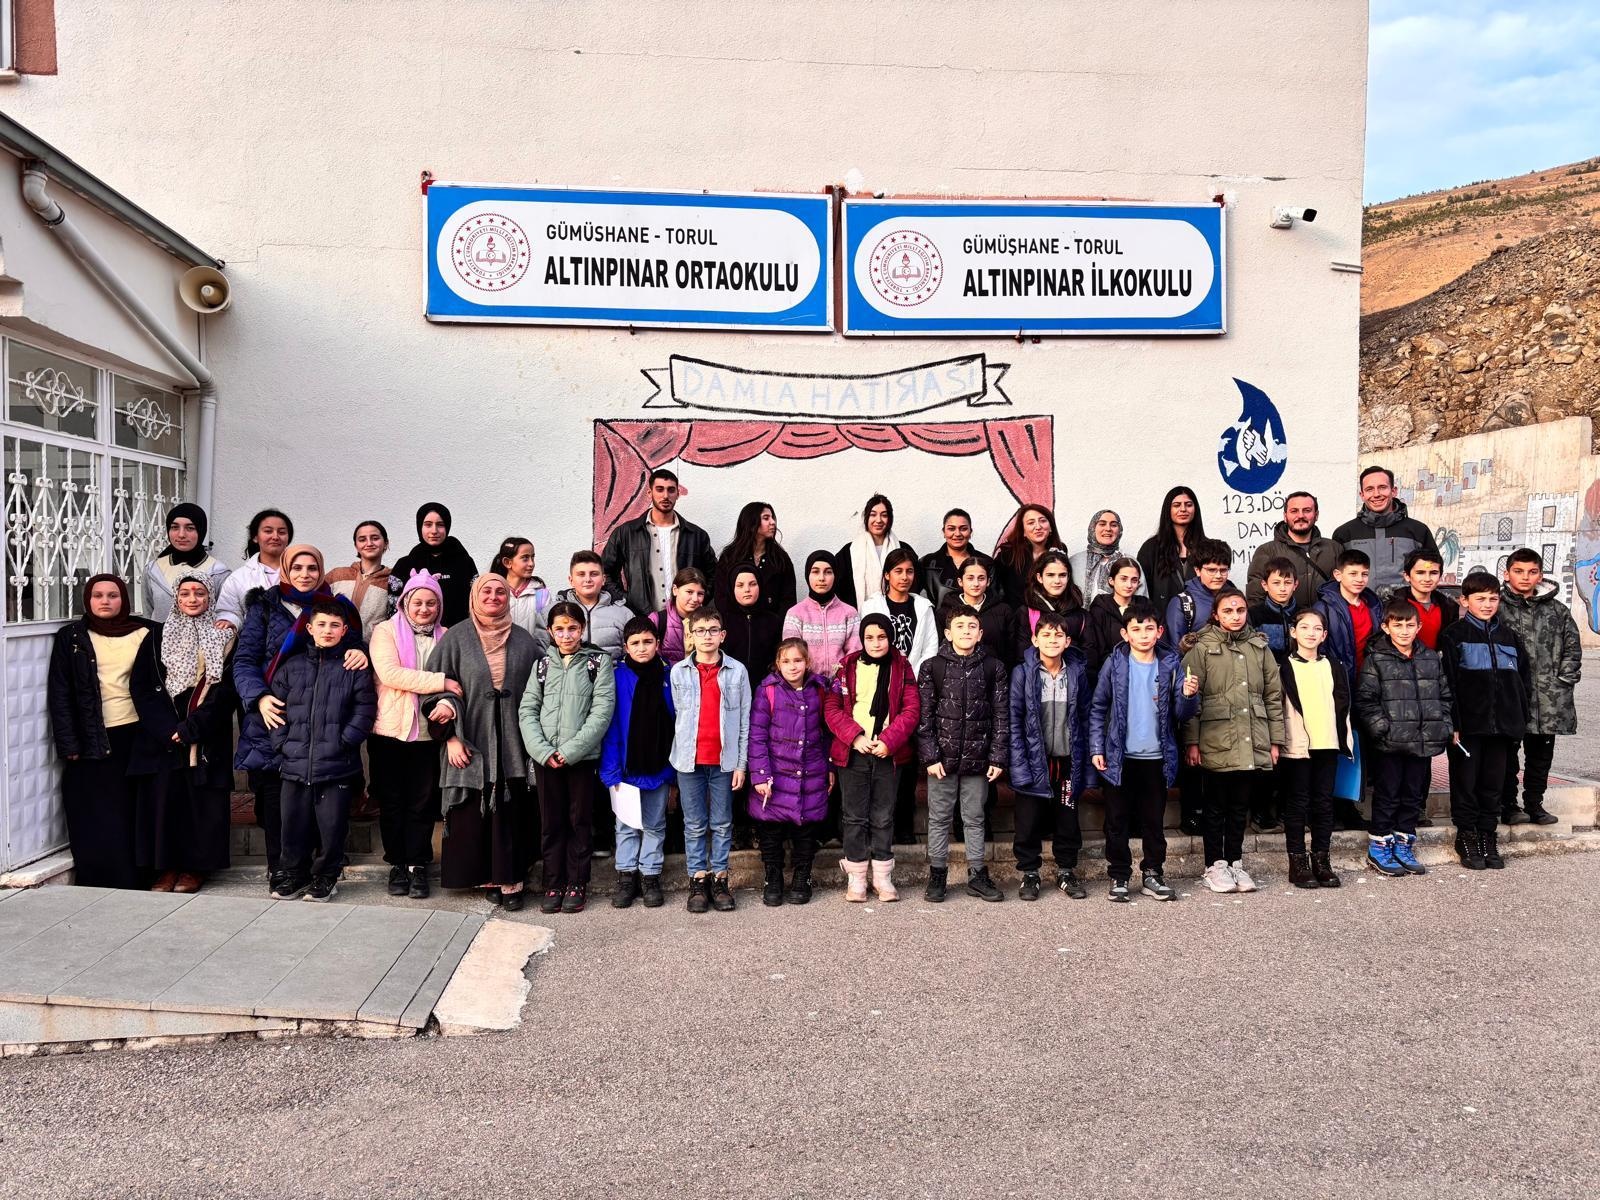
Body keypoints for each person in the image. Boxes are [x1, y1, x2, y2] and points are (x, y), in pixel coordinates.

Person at [232, 544, 367, 895]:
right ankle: (282, 869)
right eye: (297, 567)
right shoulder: (265, 606)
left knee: (323, 805)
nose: (305, 574)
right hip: (274, 715)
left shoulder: (335, 608)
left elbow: (354, 649)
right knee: (279, 802)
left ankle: (321, 873)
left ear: (321, 571)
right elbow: (244, 660)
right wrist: (259, 698)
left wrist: (359, 651)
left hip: (326, 722)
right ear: (285, 570)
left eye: (312, 568)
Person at [424, 574, 542, 909]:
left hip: (514, 738)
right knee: (475, 811)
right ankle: (488, 877)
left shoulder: (524, 640)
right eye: (486, 591)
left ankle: (511, 880)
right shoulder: (456, 638)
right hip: (471, 737)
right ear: (474, 596)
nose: (493, 596)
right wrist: (451, 738)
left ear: (508, 598)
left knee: (510, 808)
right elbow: (435, 690)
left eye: (500, 592)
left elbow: (540, 687)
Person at [47, 575, 159, 888]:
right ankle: (97, 877)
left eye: (113, 595)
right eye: (98, 595)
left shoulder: (146, 633)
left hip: (137, 733)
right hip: (92, 735)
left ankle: (136, 877)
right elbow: (60, 692)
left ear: (124, 599)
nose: (105, 601)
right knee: (92, 809)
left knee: (131, 808)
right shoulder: (72, 637)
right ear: (88, 600)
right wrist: (68, 742)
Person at [128, 572, 237, 894]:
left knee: (200, 804)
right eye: (185, 593)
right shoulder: (156, 637)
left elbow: (227, 691)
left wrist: (192, 728)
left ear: (210, 598)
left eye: (200, 593)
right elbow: (142, 686)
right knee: (165, 802)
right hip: (163, 737)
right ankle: (166, 868)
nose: (192, 599)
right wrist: (167, 730)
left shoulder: (224, 637)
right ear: (176, 598)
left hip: (204, 734)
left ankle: (195, 869)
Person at [266, 598, 377, 901]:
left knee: (332, 826)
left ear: (344, 631)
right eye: (322, 625)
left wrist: (344, 741)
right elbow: (275, 710)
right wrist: (283, 744)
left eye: (335, 625)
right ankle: (295, 875)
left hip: (336, 764)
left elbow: (365, 709)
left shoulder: (353, 668)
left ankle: (326, 876)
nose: (328, 630)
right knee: (293, 824)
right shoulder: (292, 667)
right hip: (295, 763)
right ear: (310, 628)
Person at [1090, 600, 1198, 902]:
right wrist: (1097, 747)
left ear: (1160, 631)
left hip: (1156, 758)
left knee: (1153, 821)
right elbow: (1098, 707)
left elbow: (1182, 714)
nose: (1143, 635)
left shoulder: (1171, 663)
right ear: (1125, 634)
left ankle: (1153, 873)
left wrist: (1189, 695)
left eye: (1149, 629)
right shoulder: (1115, 663)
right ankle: (1119, 875)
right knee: (1117, 821)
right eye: (1136, 630)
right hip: (1119, 757)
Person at [1181, 587, 1285, 895]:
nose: (1235, 616)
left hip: (1251, 738)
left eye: (1240, 610)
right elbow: (1192, 698)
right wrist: (1192, 741)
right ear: (1216, 615)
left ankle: (1235, 862)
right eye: (1228, 611)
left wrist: (1275, 740)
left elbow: (1273, 696)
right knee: (1215, 806)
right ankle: (1214, 864)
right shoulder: (1201, 648)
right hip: (1216, 738)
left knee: (1240, 806)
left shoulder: (1259, 647)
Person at [520, 601, 617, 915]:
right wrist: (543, 751)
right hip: (546, 758)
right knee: (551, 822)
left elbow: (601, 711)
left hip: (581, 758)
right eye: (559, 629)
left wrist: (571, 751)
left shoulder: (597, 663)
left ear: (582, 629)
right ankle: (553, 882)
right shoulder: (541, 665)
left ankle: (577, 882)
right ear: (550, 631)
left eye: (572, 628)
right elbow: (528, 710)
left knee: (579, 821)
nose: (566, 635)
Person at [368, 569, 452, 900]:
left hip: (428, 734)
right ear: (405, 603)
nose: (424, 609)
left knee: (422, 803)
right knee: (392, 802)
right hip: (390, 731)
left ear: (439, 606)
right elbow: (390, 674)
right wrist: (441, 682)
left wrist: (447, 698)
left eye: (431, 603)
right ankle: (397, 864)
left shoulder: (446, 636)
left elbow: (457, 679)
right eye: (417, 602)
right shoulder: (385, 631)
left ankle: (418, 864)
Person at [917, 604, 1009, 903]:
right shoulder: (932, 667)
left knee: (974, 817)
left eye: (972, 626)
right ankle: (937, 875)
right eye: (960, 626)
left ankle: (977, 875)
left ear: (980, 633)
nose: (966, 631)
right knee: (939, 818)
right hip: (941, 761)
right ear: (948, 633)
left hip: (978, 759)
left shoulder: (993, 667)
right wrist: (930, 756)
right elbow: (924, 716)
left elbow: (1001, 715)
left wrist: (997, 757)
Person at [1355, 601, 1453, 879]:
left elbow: (1444, 696)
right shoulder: (1377, 659)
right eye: (1397, 625)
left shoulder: (1430, 657)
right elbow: (1366, 700)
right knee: (1388, 794)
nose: (1404, 630)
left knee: (1413, 796)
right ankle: (1379, 846)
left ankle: (1404, 844)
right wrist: (1382, 729)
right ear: (1386, 627)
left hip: (1423, 741)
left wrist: (1443, 726)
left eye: (1410, 625)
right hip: (1391, 743)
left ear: (1419, 627)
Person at [827, 614, 920, 903]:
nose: (876, 643)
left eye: (882, 637)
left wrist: (889, 741)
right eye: (869, 638)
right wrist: (854, 737)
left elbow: (911, 709)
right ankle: (856, 876)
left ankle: (882, 876)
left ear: (890, 638)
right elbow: (832, 708)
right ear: (861, 640)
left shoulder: (902, 667)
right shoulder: (847, 667)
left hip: (887, 753)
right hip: (854, 750)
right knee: (854, 816)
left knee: (883, 815)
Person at [1440, 572, 1531, 870]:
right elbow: (1448, 683)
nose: (1487, 604)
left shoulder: (1509, 637)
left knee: (1493, 784)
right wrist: (1453, 723)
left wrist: (1519, 719)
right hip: (1468, 727)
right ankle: (1466, 836)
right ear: (1465, 601)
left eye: (1493, 598)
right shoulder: (1454, 636)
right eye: (1480, 598)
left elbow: (1523, 682)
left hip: (1502, 727)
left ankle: (1487, 836)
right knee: (1466, 783)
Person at [669, 608, 751, 914]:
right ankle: (698, 880)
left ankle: (720, 879)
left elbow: (743, 721)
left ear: (722, 635)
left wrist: (741, 764)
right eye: (700, 630)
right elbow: (677, 716)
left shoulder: (737, 671)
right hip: (689, 760)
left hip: (723, 761)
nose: (707, 636)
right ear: (691, 635)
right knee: (693, 824)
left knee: (722, 822)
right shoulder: (678, 672)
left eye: (713, 630)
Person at [1008, 613, 1091, 901]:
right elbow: (1014, 720)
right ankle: (1030, 873)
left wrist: (1085, 759)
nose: (1052, 640)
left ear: (1068, 641)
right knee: (1028, 820)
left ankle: (1066, 871)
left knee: (1067, 818)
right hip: (1034, 760)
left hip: (1067, 761)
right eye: (1046, 635)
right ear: (1035, 639)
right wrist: (1019, 764)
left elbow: (1085, 715)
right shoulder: (1023, 673)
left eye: (1058, 636)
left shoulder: (1076, 673)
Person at [1497, 548, 1582, 826]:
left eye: (1532, 572)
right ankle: (1509, 805)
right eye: (1518, 571)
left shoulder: (1557, 610)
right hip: (1510, 697)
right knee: (1507, 756)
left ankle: (1535, 804)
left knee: (1541, 756)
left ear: (1540, 575)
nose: (1525, 577)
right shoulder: (1496, 608)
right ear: (1507, 574)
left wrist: (1563, 680)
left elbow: (1572, 646)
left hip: (1548, 699)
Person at [748, 638, 835, 906]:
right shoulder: (768, 690)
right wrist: (760, 774)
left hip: (811, 770)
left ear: (807, 662)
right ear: (778, 664)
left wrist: (829, 766)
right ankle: (772, 877)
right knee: (771, 830)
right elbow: (757, 735)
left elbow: (827, 732)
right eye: (786, 661)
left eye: (798, 660)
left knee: (805, 830)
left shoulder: (819, 689)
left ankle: (802, 876)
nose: (792, 666)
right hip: (774, 772)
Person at [600, 616, 676, 909]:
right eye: (635, 643)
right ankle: (626, 876)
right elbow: (611, 726)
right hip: (625, 766)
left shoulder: (669, 676)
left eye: (647, 642)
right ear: (625, 647)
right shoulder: (617, 677)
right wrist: (611, 770)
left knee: (655, 824)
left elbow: (676, 722)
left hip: (659, 764)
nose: (642, 648)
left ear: (658, 644)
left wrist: (673, 771)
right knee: (626, 825)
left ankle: (650, 875)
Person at [1277, 609, 1352, 888]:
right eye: (1304, 627)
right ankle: (1297, 863)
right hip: (1297, 745)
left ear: (1324, 635)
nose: (1311, 633)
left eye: (1317, 628)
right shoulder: (1283, 666)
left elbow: (1343, 703)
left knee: (1323, 803)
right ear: (1293, 632)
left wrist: (1344, 740)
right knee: (1297, 803)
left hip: (1327, 742)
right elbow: (1277, 706)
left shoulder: (1333, 665)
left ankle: (1322, 860)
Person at [601, 467, 717, 616]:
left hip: (686, 619)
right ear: (650, 493)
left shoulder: (697, 535)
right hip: (642, 617)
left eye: (671, 490)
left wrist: (698, 599)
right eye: (660, 489)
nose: (665, 496)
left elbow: (714, 574)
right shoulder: (626, 533)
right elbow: (605, 572)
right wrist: (626, 600)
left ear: (678, 494)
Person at [1331, 466, 1442, 594]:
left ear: (1394, 491)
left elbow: (1434, 569)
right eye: (1369, 489)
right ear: (1362, 495)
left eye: (1382, 487)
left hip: (1405, 606)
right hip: (1360, 605)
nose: (1376, 494)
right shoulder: (1345, 534)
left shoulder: (1418, 531)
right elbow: (1336, 579)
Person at [1245, 492, 1339, 609]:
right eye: (1294, 511)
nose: (1300, 516)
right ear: (1285, 516)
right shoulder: (1267, 551)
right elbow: (1255, 596)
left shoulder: (1334, 549)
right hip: (1284, 619)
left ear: (1316, 515)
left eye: (1307, 510)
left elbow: (1344, 590)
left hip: (1326, 618)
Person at [391, 502, 479, 628]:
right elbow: (394, 610)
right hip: (414, 637)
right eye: (428, 525)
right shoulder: (405, 565)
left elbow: (476, 604)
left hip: (458, 635)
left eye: (440, 525)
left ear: (447, 527)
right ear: (419, 527)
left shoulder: (464, 562)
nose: (434, 531)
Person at [143, 502, 231, 623]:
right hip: (158, 635)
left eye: (190, 528)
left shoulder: (218, 572)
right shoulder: (153, 569)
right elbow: (148, 613)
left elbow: (225, 616)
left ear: (201, 530)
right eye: (175, 527)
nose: (181, 535)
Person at [782, 551, 861, 677]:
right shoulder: (795, 614)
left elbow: (855, 653)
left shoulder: (849, 613)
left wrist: (840, 678)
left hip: (841, 684)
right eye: (815, 572)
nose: (821, 578)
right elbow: (792, 656)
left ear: (835, 575)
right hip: (806, 684)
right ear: (807, 575)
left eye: (828, 572)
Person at [713, 500, 797, 618]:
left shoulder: (780, 558)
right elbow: (721, 596)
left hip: (772, 625)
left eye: (772, 518)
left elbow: (788, 598)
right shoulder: (730, 557)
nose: (773, 522)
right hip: (736, 624)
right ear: (751, 523)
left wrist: (776, 623)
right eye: (766, 518)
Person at [859, 548, 938, 672]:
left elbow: (930, 648)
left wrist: (914, 676)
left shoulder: (923, 607)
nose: (904, 577)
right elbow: (867, 644)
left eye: (909, 571)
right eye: (898, 571)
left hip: (916, 676)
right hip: (880, 675)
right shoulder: (872, 606)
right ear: (887, 575)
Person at [835, 493, 917, 608]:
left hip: (898, 613)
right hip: (858, 614)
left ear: (890, 519)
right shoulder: (849, 552)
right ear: (866, 518)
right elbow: (839, 587)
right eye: (873, 515)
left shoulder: (904, 549)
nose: (878, 520)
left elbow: (915, 582)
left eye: (884, 515)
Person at [547, 550, 632, 662]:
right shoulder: (552, 612)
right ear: (571, 580)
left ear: (603, 579)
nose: (588, 579)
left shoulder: (623, 614)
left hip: (611, 672)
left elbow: (632, 655)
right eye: (581, 574)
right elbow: (543, 651)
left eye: (594, 574)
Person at [215, 508, 292, 629]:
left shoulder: (302, 573)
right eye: (268, 531)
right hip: (253, 638)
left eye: (281, 532)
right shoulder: (238, 578)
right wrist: (230, 621)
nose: (275, 536)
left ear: (288, 538)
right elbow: (228, 611)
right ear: (255, 537)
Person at [1136, 486, 1208, 615]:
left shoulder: (1208, 547)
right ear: (1168, 510)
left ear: (1195, 509)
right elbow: (1141, 590)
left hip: (1201, 621)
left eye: (1188, 505)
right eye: (1176, 505)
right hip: (1162, 621)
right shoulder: (1151, 548)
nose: (1183, 509)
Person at [936, 556, 1013, 667]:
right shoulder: (945, 612)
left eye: (981, 578)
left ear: (988, 581)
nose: (976, 583)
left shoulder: (1003, 610)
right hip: (954, 673)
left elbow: (1010, 650)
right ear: (960, 581)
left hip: (994, 672)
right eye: (970, 578)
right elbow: (940, 648)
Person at [1012, 548, 1085, 664]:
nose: (1057, 581)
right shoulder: (1026, 613)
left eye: (1062, 575)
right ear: (1039, 577)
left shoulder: (1081, 615)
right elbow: (1021, 655)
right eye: (1050, 575)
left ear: (1068, 577)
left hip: (1074, 674)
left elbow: (1089, 655)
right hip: (1034, 673)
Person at [1161, 537, 1234, 651]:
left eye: (1223, 570)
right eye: (1211, 570)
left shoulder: (1235, 596)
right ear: (1197, 570)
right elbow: (1175, 652)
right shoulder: (1182, 603)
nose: (1218, 576)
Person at [325, 520, 394, 637]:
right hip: (334, 644)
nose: (369, 543)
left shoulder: (392, 581)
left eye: (375, 538)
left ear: (386, 543)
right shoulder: (337, 575)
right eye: (362, 540)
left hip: (371, 645)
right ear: (356, 546)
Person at [993, 503, 1067, 608]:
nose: (1038, 527)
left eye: (1042, 521)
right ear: (1023, 531)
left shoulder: (1060, 550)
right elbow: (994, 586)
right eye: (1031, 523)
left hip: (1051, 614)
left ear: (1051, 527)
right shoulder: (1008, 554)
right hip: (1017, 615)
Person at [1081, 557, 1143, 681]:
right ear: (1111, 580)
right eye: (1123, 579)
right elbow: (1097, 649)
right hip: (1110, 675)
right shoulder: (1099, 609)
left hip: (1142, 672)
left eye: (1134, 580)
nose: (1129, 585)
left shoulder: (1145, 606)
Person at [721, 562, 783, 681]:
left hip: (766, 686)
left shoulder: (773, 621)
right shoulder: (722, 620)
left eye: (753, 584)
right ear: (732, 588)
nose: (747, 590)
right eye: (740, 585)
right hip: (730, 684)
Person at [921, 508, 990, 609]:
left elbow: (994, 599)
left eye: (963, 529)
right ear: (943, 532)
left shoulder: (987, 562)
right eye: (951, 529)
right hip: (939, 618)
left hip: (980, 618)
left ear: (970, 532)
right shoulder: (927, 563)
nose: (957, 534)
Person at [1392, 548, 1458, 650]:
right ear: (1407, 576)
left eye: (1433, 573)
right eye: (1420, 573)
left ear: (1440, 576)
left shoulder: (1448, 607)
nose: (1427, 579)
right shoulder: (1391, 604)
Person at [491, 536, 551, 650]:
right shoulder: (494, 593)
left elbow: (545, 631)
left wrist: (537, 654)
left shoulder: (541, 593)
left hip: (533, 656)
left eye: (532, 557)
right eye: (525, 558)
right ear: (507, 562)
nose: (531, 563)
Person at [1070, 509, 1140, 605]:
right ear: (1092, 528)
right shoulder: (1075, 561)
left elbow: (1141, 601)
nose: (1108, 529)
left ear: (1119, 530)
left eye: (1114, 525)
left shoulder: (1130, 562)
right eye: (1102, 524)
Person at [648, 566, 707, 665]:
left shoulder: (708, 622)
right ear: (675, 590)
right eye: (689, 592)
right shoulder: (657, 620)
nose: (695, 599)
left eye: (700, 594)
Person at [1248, 558, 1301, 663]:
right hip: (1266, 669)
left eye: (1287, 582)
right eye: (1276, 583)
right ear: (1265, 585)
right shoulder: (1254, 615)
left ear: (1295, 585)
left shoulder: (1303, 615)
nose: (1282, 588)